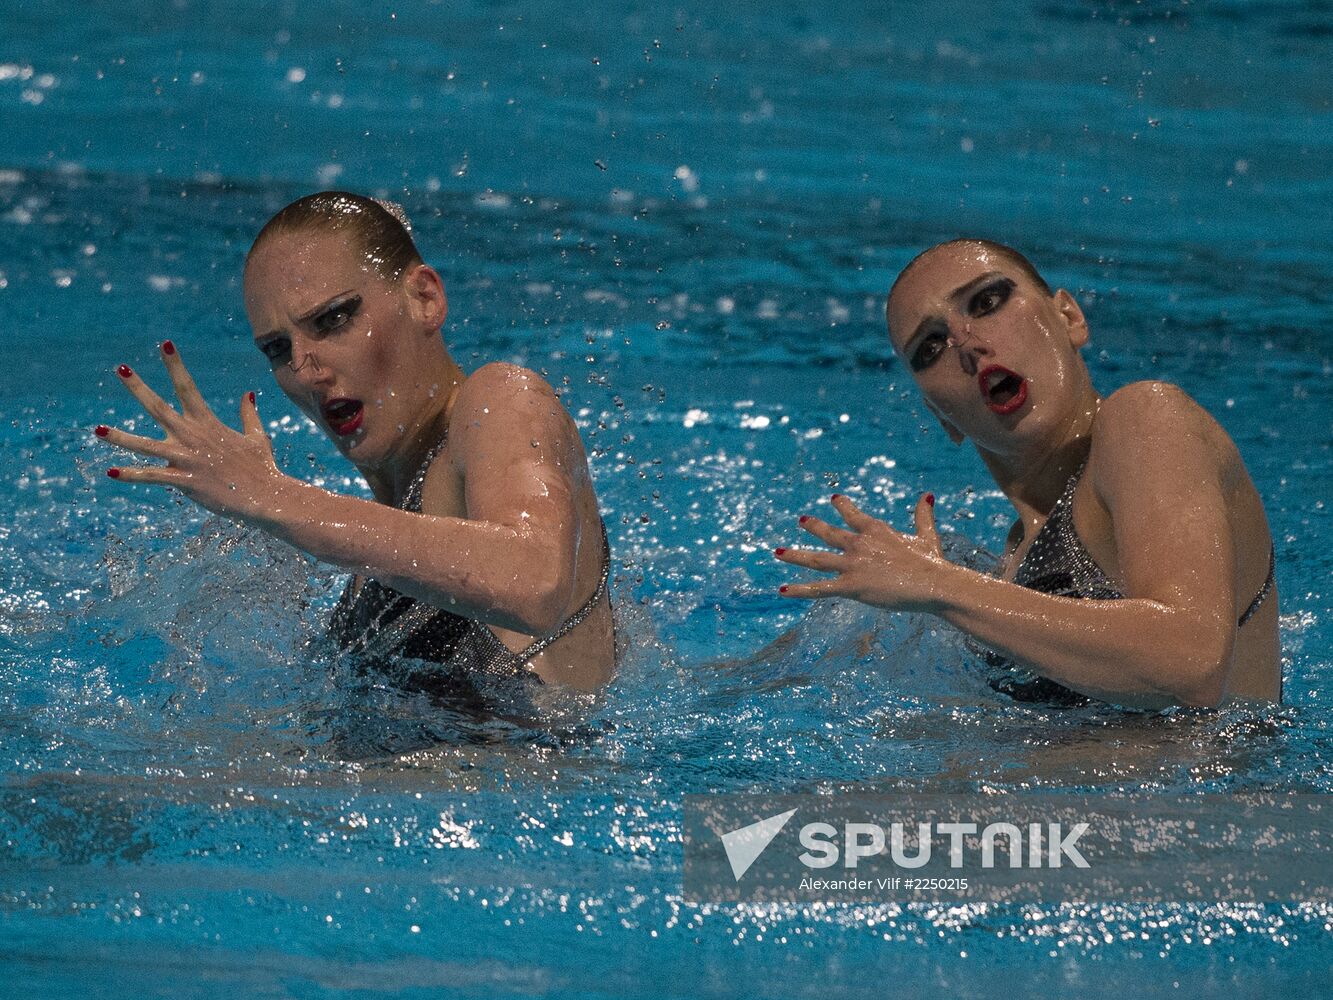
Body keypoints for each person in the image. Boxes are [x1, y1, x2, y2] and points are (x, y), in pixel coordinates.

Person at [96, 191, 615, 696]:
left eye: (333, 318)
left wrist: (272, 497)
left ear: (424, 299)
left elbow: (537, 579)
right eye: (278, 349)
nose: (304, 368)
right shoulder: (384, 548)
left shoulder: (500, 400)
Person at [775, 238, 1280, 709]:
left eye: (986, 301)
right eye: (931, 347)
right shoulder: (1009, 566)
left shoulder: (1145, 418)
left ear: (1069, 317)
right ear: (942, 417)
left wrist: (937, 587)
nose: (965, 343)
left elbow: (1189, 663)